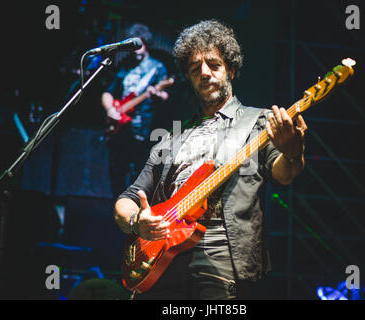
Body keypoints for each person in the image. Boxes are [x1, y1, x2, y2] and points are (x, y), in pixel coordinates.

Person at [114, 20, 307, 299]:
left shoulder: (258, 122)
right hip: (162, 260)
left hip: (221, 255)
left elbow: (284, 174)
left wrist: (293, 151)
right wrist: (136, 222)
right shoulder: (171, 137)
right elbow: (128, 198)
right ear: (190, 78)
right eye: (195, 69)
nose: (204, 73)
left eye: (214, 65)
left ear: (230, 69)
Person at [101, 23, 170, 197]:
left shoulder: (157, 67)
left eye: (141, 44)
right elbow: (108, 92)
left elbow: (167, 96)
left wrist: (157, 95)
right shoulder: (124, 66)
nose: (137, 50)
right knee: (116, 171)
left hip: (145, 131)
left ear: (146, 43)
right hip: (120, 129)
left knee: (139, 174)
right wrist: (110, 109)